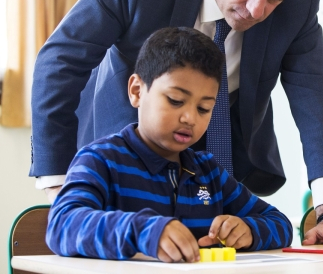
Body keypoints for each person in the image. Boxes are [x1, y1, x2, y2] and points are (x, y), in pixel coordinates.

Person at [31, 0, 323, 245]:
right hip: (127, 165)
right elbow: (61, 59)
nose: (257, 10)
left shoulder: (300, 0)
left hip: (215, 172)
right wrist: (58, 182)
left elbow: (315, 96)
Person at [46, 27, 293, 262]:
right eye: (175, 101)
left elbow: (279, 223)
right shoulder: (100, 160)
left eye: (204, 108)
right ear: (136, 91)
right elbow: (61, 225)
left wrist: (248, 229)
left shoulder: (208, 173)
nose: (190, 118)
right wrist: (142, 231)